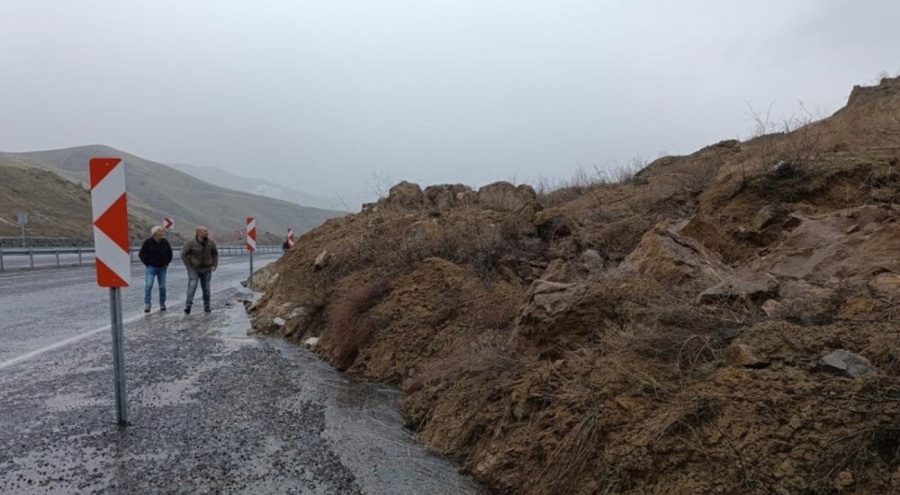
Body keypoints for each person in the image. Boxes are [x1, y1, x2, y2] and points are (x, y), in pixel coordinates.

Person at [181, 226, 218, 314]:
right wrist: (189, 267)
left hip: (206, 269)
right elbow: (183, 255)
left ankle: (207, 306)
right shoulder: (190, 243)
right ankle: (188, 306)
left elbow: (215, 254)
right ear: (199, 233)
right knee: (192, 286)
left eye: (207, 231)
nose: (207, 233)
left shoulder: (211, 243)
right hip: (194, 269)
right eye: (205, 231)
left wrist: (214, 265)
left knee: (206, 288)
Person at [138, 226, 173, 313]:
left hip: (162, 268)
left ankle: (162, 303)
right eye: (160, 231)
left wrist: (166, 263)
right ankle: (147, 304)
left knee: (162, 286)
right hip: (151, 267)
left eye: (162, 231)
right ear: (155, 233)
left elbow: (170, 253)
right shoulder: (148, 242)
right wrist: (147, 263)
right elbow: (141, 253)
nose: (162, 233)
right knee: (149, 285)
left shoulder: (165, 242)